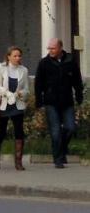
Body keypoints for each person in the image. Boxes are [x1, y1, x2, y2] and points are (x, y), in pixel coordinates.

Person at [35, 38, 84, 169]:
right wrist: (39, 101)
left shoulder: (70, 61)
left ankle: (62, 149)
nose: (50, 51)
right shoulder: (44, 63)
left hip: (67, 101)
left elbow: (77, 81)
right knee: (55, 131)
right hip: (51, 102)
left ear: (60, 48)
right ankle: (58, 158)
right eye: (49, 48)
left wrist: (79, 96)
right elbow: (38, 83)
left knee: (70, 128)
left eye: (53, 48)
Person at [0, 45, 31, 171]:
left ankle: (18, 161)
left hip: (17, 104)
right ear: (8, 57)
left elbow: (26, 89)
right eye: (15, 56)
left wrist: (21, 93)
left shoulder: (23, 70)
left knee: (19, 132)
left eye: (19, 56)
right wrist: (5, 92)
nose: (17, 58)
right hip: (2, 104)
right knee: (1, 132)